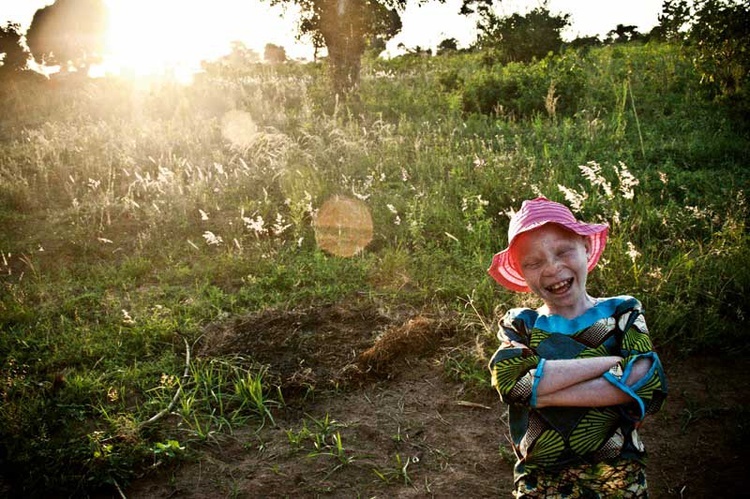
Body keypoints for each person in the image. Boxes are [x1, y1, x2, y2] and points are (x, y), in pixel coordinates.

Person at [486, 196, 667, 498]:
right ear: (521, 271)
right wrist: (609, 364)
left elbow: (647, 379)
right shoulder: (520, 324)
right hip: (539, 481)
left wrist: (540, 393)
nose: (552, 268)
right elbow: (510, 382)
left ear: (585, 246)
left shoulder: (622, 312)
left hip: (617, 473)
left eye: (563, 251)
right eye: (534, 262)